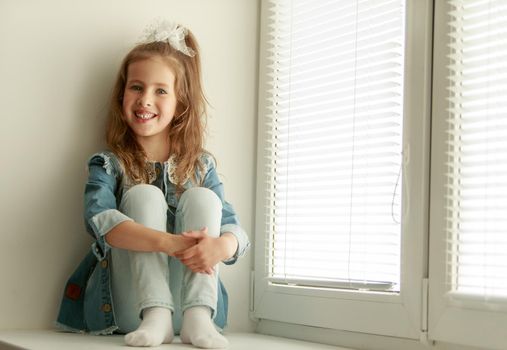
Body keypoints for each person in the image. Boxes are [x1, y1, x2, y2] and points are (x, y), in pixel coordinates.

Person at [56, 20, 250, 349]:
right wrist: (167, 242)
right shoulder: (109, 164)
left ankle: (199, 317)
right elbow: (100, 221)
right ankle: (156, 314)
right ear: (122, 96)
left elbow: (235, 229)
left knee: (204, 198)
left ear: (180, 104)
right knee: (143, 194)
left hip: (189, 309)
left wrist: (220, 247)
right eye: (136, 87)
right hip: (133, 311)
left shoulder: (200, 166)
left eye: (160, 90)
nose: (145, 99)